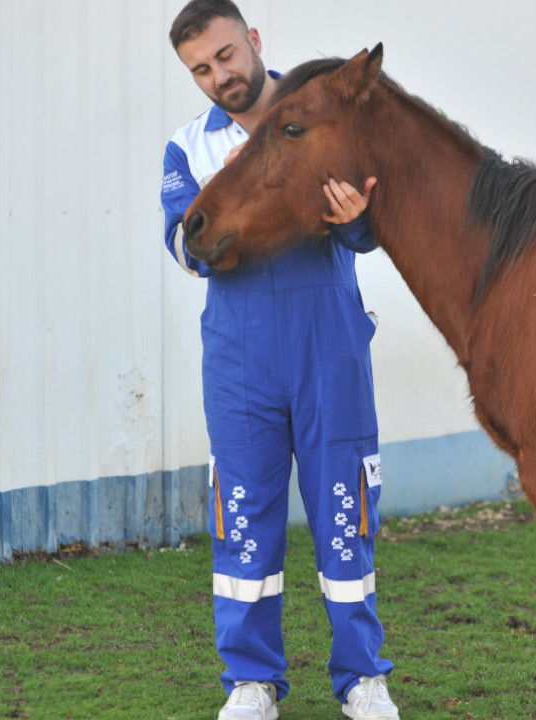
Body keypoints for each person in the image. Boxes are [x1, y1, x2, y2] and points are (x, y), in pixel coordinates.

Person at [160, 2, 398, 718]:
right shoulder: (188, 146)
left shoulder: (322, 114)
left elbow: (368, 228)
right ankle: (252, 682)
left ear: (254, 41)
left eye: (227, 56)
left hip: (329, 343)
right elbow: (181, 244)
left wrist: (357, 218)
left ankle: (362, 677)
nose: (219, 76)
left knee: (344, 515)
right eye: (201, 68)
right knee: (242, 518)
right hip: (239, 356)